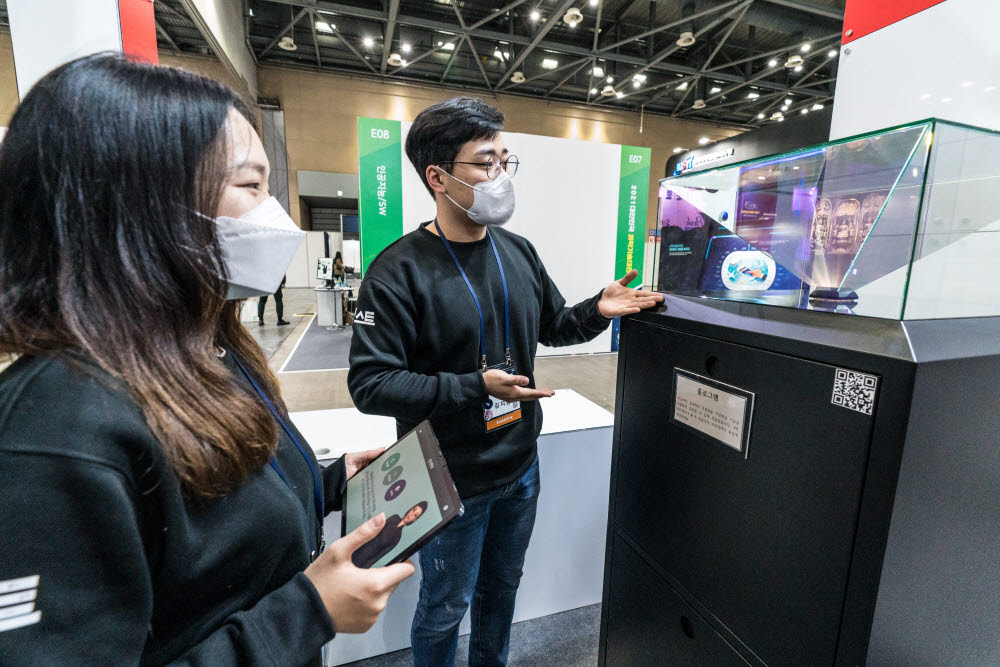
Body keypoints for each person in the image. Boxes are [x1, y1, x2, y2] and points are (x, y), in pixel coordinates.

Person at [0, 55, 414, 665]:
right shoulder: (57, 428)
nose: (274, 215)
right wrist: (307, 611)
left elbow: (209, 520)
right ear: (143, 202)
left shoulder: (206, 346)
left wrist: (326, 482)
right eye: (249, 187)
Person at [347, 97, 663, 666]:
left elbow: (554, 326)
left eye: (504, 160)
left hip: (520, 465)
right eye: (484, 161)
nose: (499, 175)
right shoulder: (398, 270)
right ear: (437, 177)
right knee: (444, 608)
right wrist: (474, 386)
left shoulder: (518, 252)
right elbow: (372, 384)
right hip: (448, 478)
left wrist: (599, 307)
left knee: (502, 593)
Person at [352, 501, 429, 567]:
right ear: (411, 509)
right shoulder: (394, 518)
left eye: (415, 515)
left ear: (414, 520)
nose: (411, 515)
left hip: (364, 561)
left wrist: (365, 567)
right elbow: (374, 531)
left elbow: (380, 555)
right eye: (414, 510)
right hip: (358, 546)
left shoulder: (398, 537)